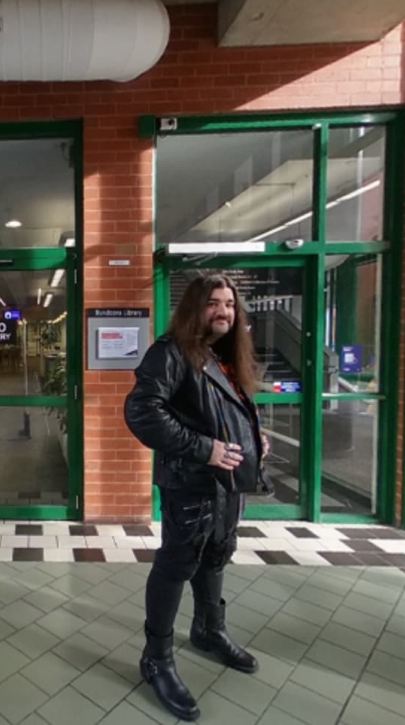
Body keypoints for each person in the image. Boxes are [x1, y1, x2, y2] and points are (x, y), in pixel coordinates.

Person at [124, 273, 266, 721]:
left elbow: (229, 411)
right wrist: (206, 449)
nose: (224, 311)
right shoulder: (170, 353)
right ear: (194, 308)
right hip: (190, 483)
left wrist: (255, 439)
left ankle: (208, 630)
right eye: (213, 304)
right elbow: (143, 412)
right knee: (177, 563)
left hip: (226, 486)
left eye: (229, 303)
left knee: (217, 554)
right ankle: (156, 658)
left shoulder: (223, 356)